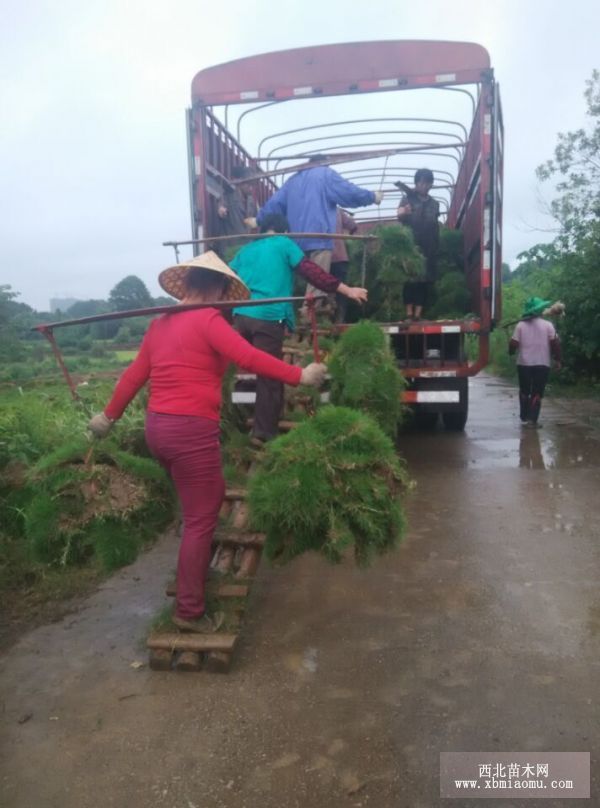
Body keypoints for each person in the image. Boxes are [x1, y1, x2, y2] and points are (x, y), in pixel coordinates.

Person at [87, 252, 326, 633]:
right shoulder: (210, 320)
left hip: (158, 430)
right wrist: (301, 375)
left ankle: (191, 571)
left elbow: (134, 377)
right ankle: (189, 611)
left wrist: (106, 419)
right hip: (190, 430)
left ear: (189, 284)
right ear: (215, 287)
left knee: (196, 504)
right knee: (203, 516)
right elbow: (249, 356)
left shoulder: (160, 324)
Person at [230, 213, 368, 444]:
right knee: (270, 374)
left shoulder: (246, 250)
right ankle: (264, 433)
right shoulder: (284, 243)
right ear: (284, 230)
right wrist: (346, 290)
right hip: (268, 316)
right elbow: (312, 272)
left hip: (241, 317)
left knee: (252, 368)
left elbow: (227, 279)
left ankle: (264, 417)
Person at [255, 154, 383, 277]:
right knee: (318, 285)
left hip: (296, 242)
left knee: (301, 282)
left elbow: (275, 204)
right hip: (320, 239)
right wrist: (372, 197)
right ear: (324, 163)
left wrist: (258, 219)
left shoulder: (292, 180)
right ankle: (313, 300)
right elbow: (348, 192)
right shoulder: (325, 174)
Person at [509, 297, 561, 427]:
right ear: (540, 310)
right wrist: (558, 360)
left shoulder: (520, 325)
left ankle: (524, 416)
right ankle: (532, 420)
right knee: (537, 391)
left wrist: (510, 351)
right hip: (542, 364)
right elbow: (555, 344)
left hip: (524, 364)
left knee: (524, 390)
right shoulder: (548, 325)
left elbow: (513, 343)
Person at [396, 168, 440, 320]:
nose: (424, 186)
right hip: (411, 247)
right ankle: (408, 313)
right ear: (416, 183)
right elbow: (399, 214)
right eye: (421, 182)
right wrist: (404, 212)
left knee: (424, 281)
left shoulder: (435, 204)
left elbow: (435, 224)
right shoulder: (408, 199)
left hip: (429, 247)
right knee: (410, 280)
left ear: (431, 185)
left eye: (427, 183)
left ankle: (418, 315)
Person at [215, 165, 258, 253]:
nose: (251, 188)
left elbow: (257, 220)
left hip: (245, 248)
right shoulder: (228, 196)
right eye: (248, 184)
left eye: (252, 185)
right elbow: (221, 206)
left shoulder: (252, 202)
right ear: (241, 182)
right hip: (230, 248)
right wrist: (221, 210)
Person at [330, 208, 358, 323]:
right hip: (340, 257)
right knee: (341, 291)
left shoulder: (315, 211)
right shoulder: (337, 211)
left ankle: (327, 318)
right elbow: (353, 226)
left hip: (321, 257)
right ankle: (339, 319)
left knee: (322, 287)